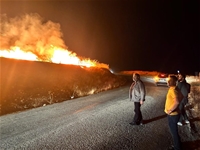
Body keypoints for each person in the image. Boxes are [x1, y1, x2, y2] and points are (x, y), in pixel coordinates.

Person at [164, 75, 183, 150]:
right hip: (175, 114)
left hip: (172, 115)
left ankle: (177, 147)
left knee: (174, 132)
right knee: (174, 131)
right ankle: (178, 144)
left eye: (170, 80)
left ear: (174, 82)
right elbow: (182, 96)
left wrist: (171, 110)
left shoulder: (173, 90)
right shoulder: (175, 88)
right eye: (168, 80)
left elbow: (177, 102)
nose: (168, 81)